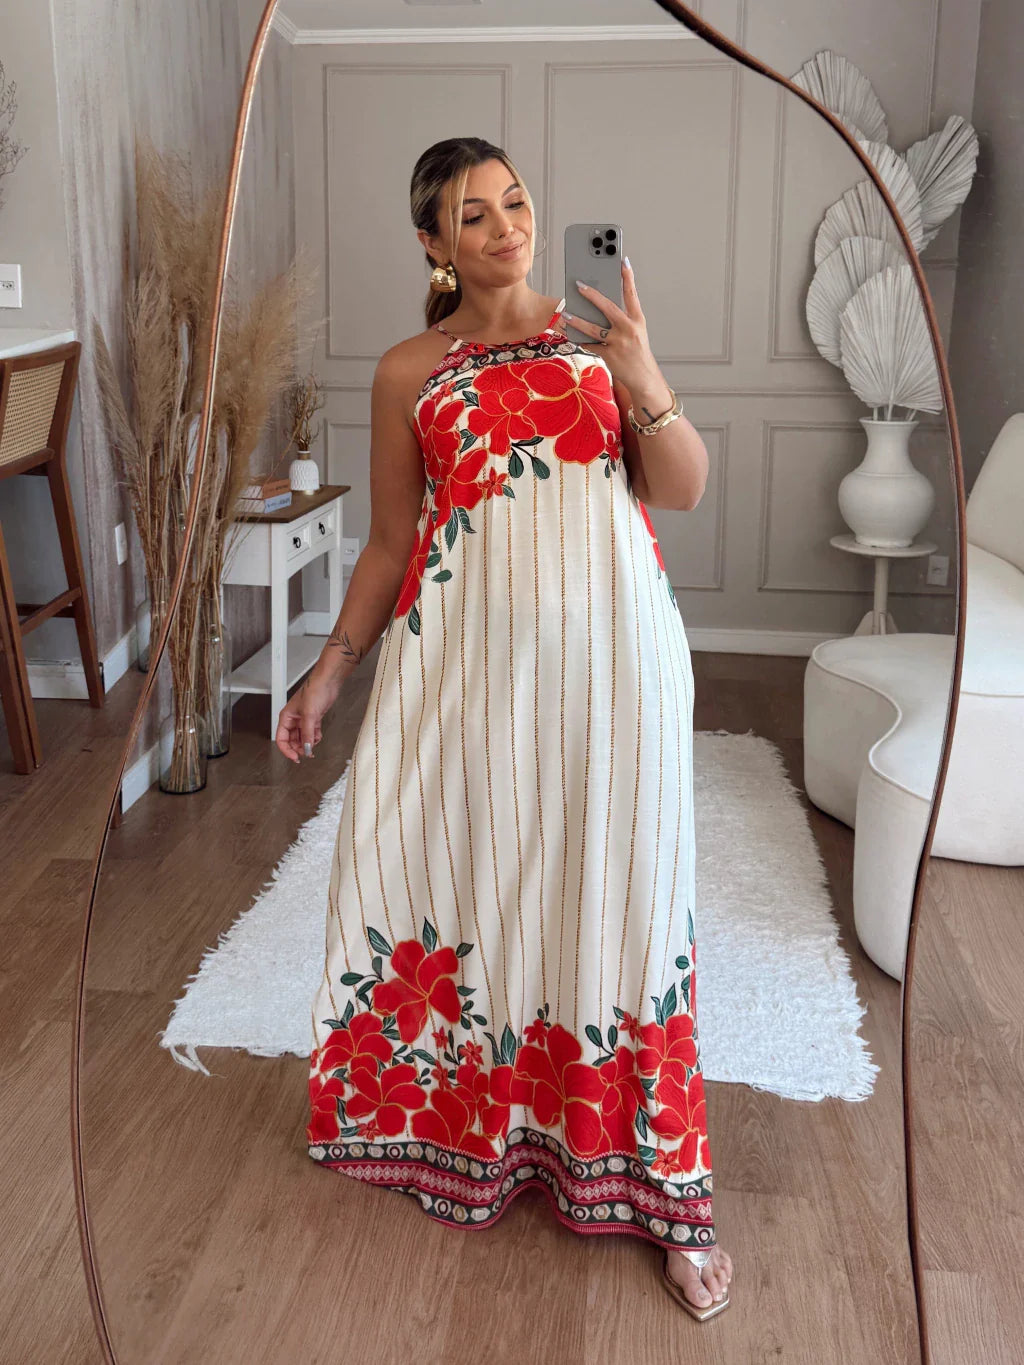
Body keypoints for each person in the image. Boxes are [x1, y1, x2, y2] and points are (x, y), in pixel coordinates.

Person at [276, 136, 733, 1320]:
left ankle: (665, 1188)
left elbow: (680, 487)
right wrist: (329, 673)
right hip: (464, 673)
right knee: (461, 884)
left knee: (626, 904)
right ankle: (469, 1129)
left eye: (515, 202)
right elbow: (391, 541)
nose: (506, 227)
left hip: (617, 668)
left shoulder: (598, 337)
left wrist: (641, 370)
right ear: (431, 241)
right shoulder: (407, 372)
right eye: (472, 214)